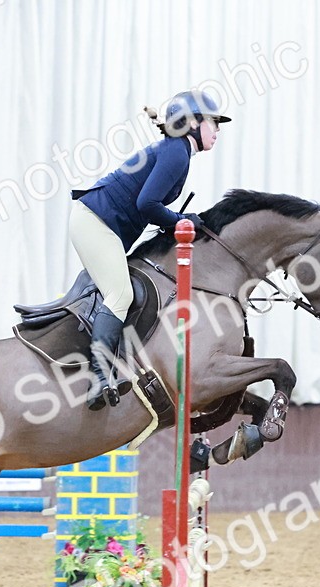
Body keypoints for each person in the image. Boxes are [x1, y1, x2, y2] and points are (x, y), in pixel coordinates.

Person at [69, 89, 230, 410]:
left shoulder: (178, 150)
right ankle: (98, 378)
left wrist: (179, 221)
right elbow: (148, 203)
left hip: (99, 222)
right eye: (213, 122)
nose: (217, 129)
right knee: (120, 295)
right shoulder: (177, 152)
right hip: (94, 222)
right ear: (193, 123)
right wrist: (183, 221)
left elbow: (148, 205)